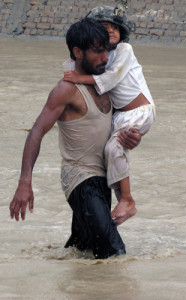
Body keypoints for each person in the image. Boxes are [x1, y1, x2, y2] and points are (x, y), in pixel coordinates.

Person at [9, 18, 141, 259]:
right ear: (78, 52)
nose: (105, 58)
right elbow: (36, 131)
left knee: (81, 253)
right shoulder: (66, 90)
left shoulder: (105, 84)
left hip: (103, 179)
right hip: (81, 180)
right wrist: (24, 181)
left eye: (107, 50)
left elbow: (115, 131)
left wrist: (132, 139)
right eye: (97, 51)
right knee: (114, 254)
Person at [63, 5, 156, 226]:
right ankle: (117, 202)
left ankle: (127, 199)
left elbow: (111, 79)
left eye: (115, 27)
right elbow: (72, 66)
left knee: (114, 149)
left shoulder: (124, 50)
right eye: (105, 28)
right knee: (114, 153)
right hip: (119, 117)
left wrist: (78, 79)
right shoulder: (99, 56)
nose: (112, 31)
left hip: (138, 112)